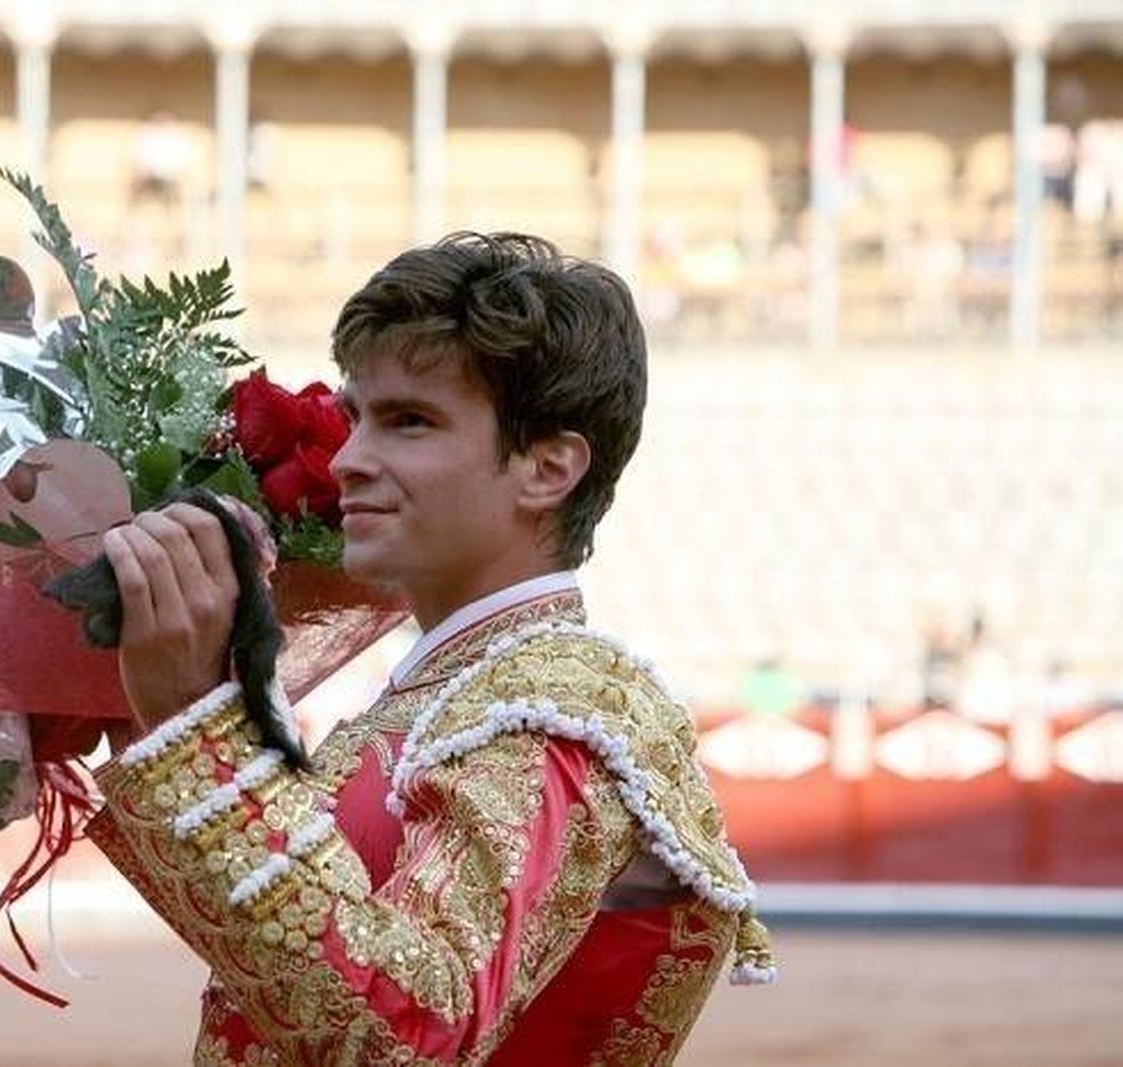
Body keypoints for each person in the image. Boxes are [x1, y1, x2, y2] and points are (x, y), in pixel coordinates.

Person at [84, 233, 771, 1065]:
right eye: (356, 416)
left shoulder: (556, 712)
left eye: (409, 421)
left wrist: (196, 740)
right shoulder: (460, 693)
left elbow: (409, 1030)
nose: (347, 459)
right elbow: (282, 964)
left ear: (547, 468)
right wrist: (148, 714)